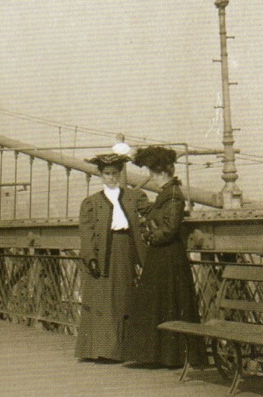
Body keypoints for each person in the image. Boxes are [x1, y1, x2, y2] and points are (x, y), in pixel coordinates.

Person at [125, 146, 208, 368]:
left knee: (165, 302)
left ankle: (168, 356)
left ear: (160, 173)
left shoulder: (172, 196)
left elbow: (168, 229)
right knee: (165, 302)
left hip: (168, 256)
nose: (151, 178)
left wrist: (147, 232)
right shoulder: (168, 195)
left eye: (151, 173)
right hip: (165, 257)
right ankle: (165, 355)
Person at [75, 153, 149, 362]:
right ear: (100, 175)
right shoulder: (91, 203)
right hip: (102, 255)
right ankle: (103, 350)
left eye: (115, 173)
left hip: (125, 251)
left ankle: (123, 350)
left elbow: (151, 213)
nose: (111, 177)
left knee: (123, 298)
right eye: (107, 174)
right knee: (103, 301)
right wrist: (90, 257)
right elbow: (86, 233)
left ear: (120, 173)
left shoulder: (134, 197)